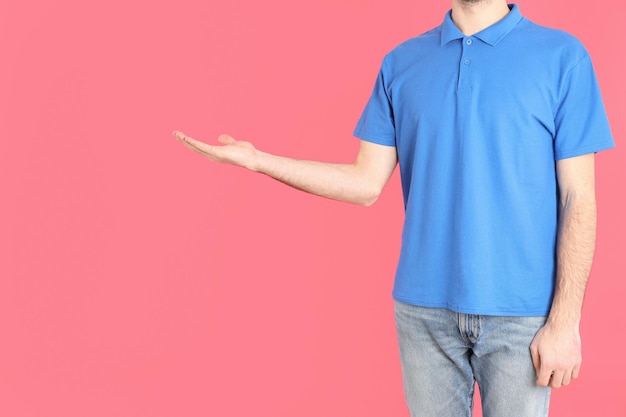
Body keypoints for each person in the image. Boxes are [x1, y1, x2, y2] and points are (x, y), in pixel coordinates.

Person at [173, 1, 615, 415]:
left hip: (523, 316)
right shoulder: (402, 63)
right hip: (422, 312)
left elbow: (578, 199)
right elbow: (364, 183)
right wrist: (259, 161)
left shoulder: (563, 58)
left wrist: (565, 322)